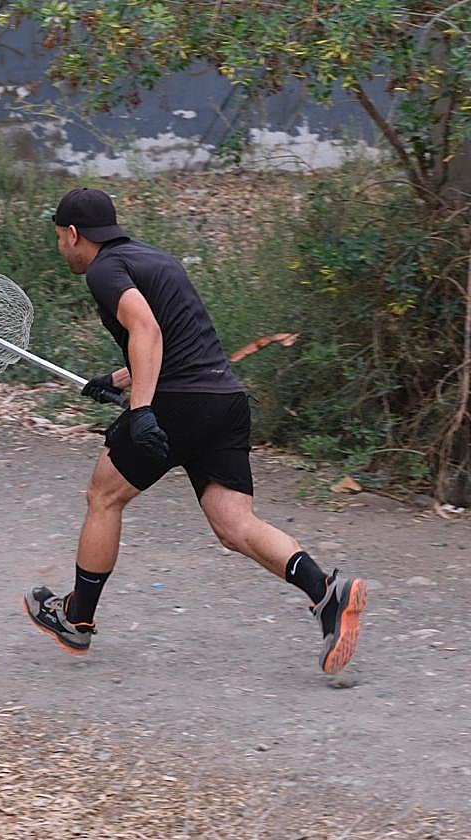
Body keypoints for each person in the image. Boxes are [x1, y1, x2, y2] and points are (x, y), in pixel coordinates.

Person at [24, 187, 366, 674]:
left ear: (74, 234)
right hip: (223, 400)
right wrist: (118, 380)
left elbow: (148, 332)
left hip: (178, 404)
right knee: (235, 525)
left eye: (60, 237)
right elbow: (179, 339)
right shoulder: (152, 259)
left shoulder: (102, 270)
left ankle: (77, 618)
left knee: (104, 497)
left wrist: (141, 410)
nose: (61, 248)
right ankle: (326, 593)